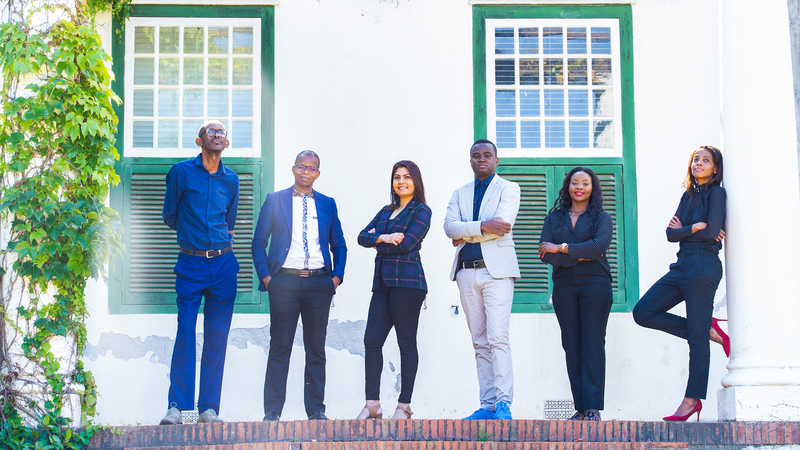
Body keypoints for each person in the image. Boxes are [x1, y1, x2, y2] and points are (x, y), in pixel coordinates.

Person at [633, 145, 729, 422]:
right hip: (682, 265)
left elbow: (712, 233)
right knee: (643, 312)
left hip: (703, 265)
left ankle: (692, 400)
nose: (698, 163)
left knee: (697, 342)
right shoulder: (687, 196)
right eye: (695, 159)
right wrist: (694, 229)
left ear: (715, 168)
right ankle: (704, 329)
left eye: (705, 160)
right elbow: (669, 235)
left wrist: (688, 231)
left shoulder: (717, 193)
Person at [251, 150, 347, 422]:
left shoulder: (328, 203)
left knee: (316, 349)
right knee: (280, 347)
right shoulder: (275, 200)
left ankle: (316, 411)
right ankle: (272, 412)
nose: (306, 172)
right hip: (284, 282)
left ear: (318, 173)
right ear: (293, 169)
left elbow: (339, 244)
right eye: (301, 167)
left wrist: (335, 279)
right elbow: (258, 243)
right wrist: (268, 278)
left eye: (312, 168)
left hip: (319, 282)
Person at [159, 120, 240, 425]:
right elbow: (170, 215)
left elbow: (228, 222)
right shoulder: (181, 172)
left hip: (223, 265)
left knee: (217, 338)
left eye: (222, 133)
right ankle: (177, 407)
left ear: (227, 144)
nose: (218, 135)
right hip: (190, 264)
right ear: (199, 140)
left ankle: (208, 408)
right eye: (211, 132)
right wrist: (191, 235)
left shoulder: (231, 180)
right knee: (185, 332)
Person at [444, 139, 521, 420]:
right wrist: (479, 227)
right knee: (479, 341)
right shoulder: (459, 193)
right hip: (466, 272)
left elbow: (502, 226)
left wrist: (466, 233)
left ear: (496, 160)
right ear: (470, 160)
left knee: (498, 336)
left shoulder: (509, 188)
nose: (481, 159)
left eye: (487, 155)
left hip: (496, 273)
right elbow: (449, 228)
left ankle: (503, 403)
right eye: (476, 156)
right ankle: (487, 405)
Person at [355, 161, 432, 421]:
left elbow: (408, 243)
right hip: (383, 284)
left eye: (407, 177)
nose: (401, 181)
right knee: (371, 341)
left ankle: (404, 406)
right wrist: (384, 238)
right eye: (397, 177)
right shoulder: (386, 211)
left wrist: (379, 244)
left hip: (409, 284)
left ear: (415, 181)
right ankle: (373, 404)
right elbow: (361, 237)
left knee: (406, 343)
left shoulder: (421, 211)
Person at [538, 168, 614, 421]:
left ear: (593, 188)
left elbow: (598, 247)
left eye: (585, 183)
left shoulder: (602, 218)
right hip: (563, 284)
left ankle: (593, 408)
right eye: (574, 182)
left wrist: (562, 248)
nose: (579, 187)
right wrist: (580, 253)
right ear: (567, 186)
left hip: (595, 282)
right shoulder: (554, 218)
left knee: (592, 343)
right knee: (571, 345)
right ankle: (580, 409)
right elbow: (544, 253)